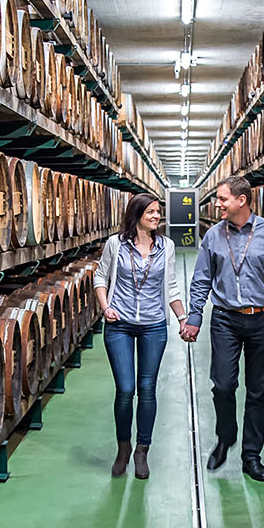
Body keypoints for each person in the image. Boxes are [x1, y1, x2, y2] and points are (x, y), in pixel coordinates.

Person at [181, 176, 264, 481]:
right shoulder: (213, 236)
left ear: (241, 200)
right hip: (225, 319)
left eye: (222, 199)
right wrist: (195, 316)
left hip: (263, 319)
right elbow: (201, 279)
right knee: (222, 384)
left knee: (258, 391)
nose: (217, 204)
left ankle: (251, 456)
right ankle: (226, 436)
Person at [94, 193, 187, 479]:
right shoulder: (115, 244)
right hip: (119, 324)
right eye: (151, 212)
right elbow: (100, 277)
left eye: (158, 212)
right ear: (136, 215)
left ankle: (142, 451)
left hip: (153, 325)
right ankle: (123, 448)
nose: (157, 216)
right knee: (125, 389)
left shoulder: (166, 246)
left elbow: (171, 285)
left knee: (147, 388)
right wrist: (106, 307)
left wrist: (183, 319)